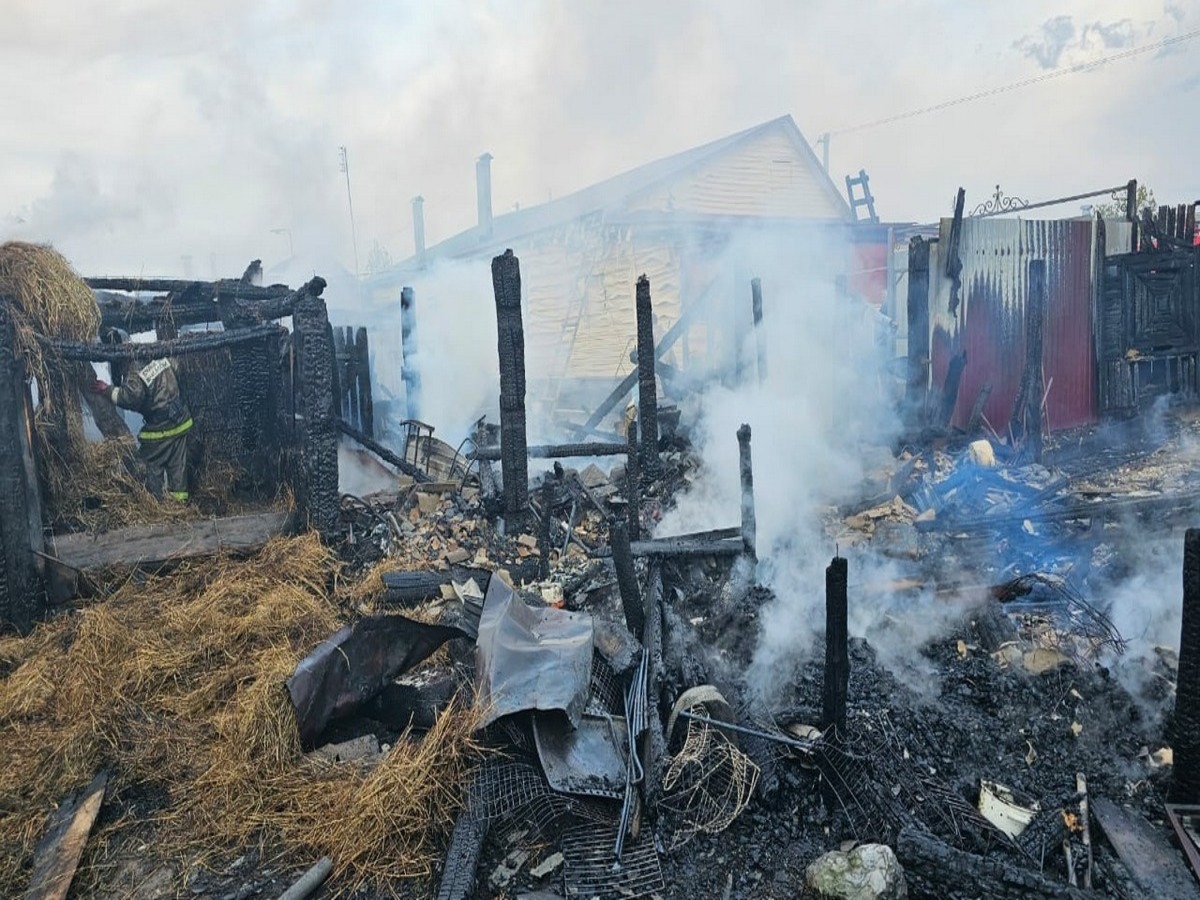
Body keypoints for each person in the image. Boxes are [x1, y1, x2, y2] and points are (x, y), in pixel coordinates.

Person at [92, 353, 193, 502]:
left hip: (161, 430)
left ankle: (155, 503)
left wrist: (107, 390)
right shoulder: (157, 355)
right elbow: (179, 369)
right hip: (181, 422)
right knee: (178, 467)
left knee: (149, 464)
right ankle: (180, 505)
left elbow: (131, 397)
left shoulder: (136, 367)